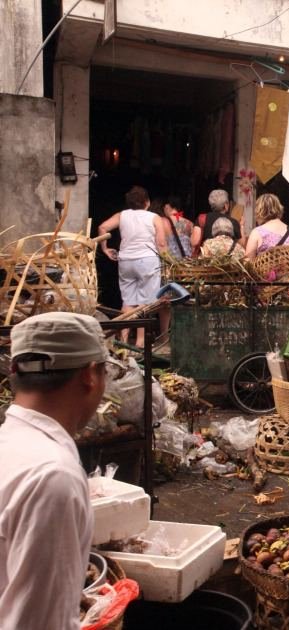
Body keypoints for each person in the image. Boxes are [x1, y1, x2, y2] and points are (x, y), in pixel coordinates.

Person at [0, 313, 115, 630]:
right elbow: (40, 622)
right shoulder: (52, 477)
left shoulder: (10, 447)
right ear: (91, 375)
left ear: (15, 372)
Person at [98, 185, 168, 347]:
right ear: (147, 202)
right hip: (147, 261)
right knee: (145, 302)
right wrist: (166, 261)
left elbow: (103, 227)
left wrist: (105, 249)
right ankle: (140, 341)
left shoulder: (122, 215)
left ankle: (123, 341)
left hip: (126, 261)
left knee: (128, 301)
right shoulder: (154, 217)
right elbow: (162, 243)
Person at [245, 193, 289, 260]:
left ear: (259, 211)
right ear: (279, 208)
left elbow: (248, 261)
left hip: (265, 270)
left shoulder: (257, 232)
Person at [192, 189, 244, 254]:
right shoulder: (234, 222)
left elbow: (195, 242)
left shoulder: (202, 218)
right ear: (226, 205)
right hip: (228, 261)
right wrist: (241, 225)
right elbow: (242, 244)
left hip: (206, 260)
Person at [160, 195, 194, 260]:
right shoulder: (189, 223)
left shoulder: (162, 222)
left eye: (163, 207)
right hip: (187, 260)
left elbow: (161, 242)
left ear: (167, 206)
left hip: (171, 261)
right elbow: (193, 245)